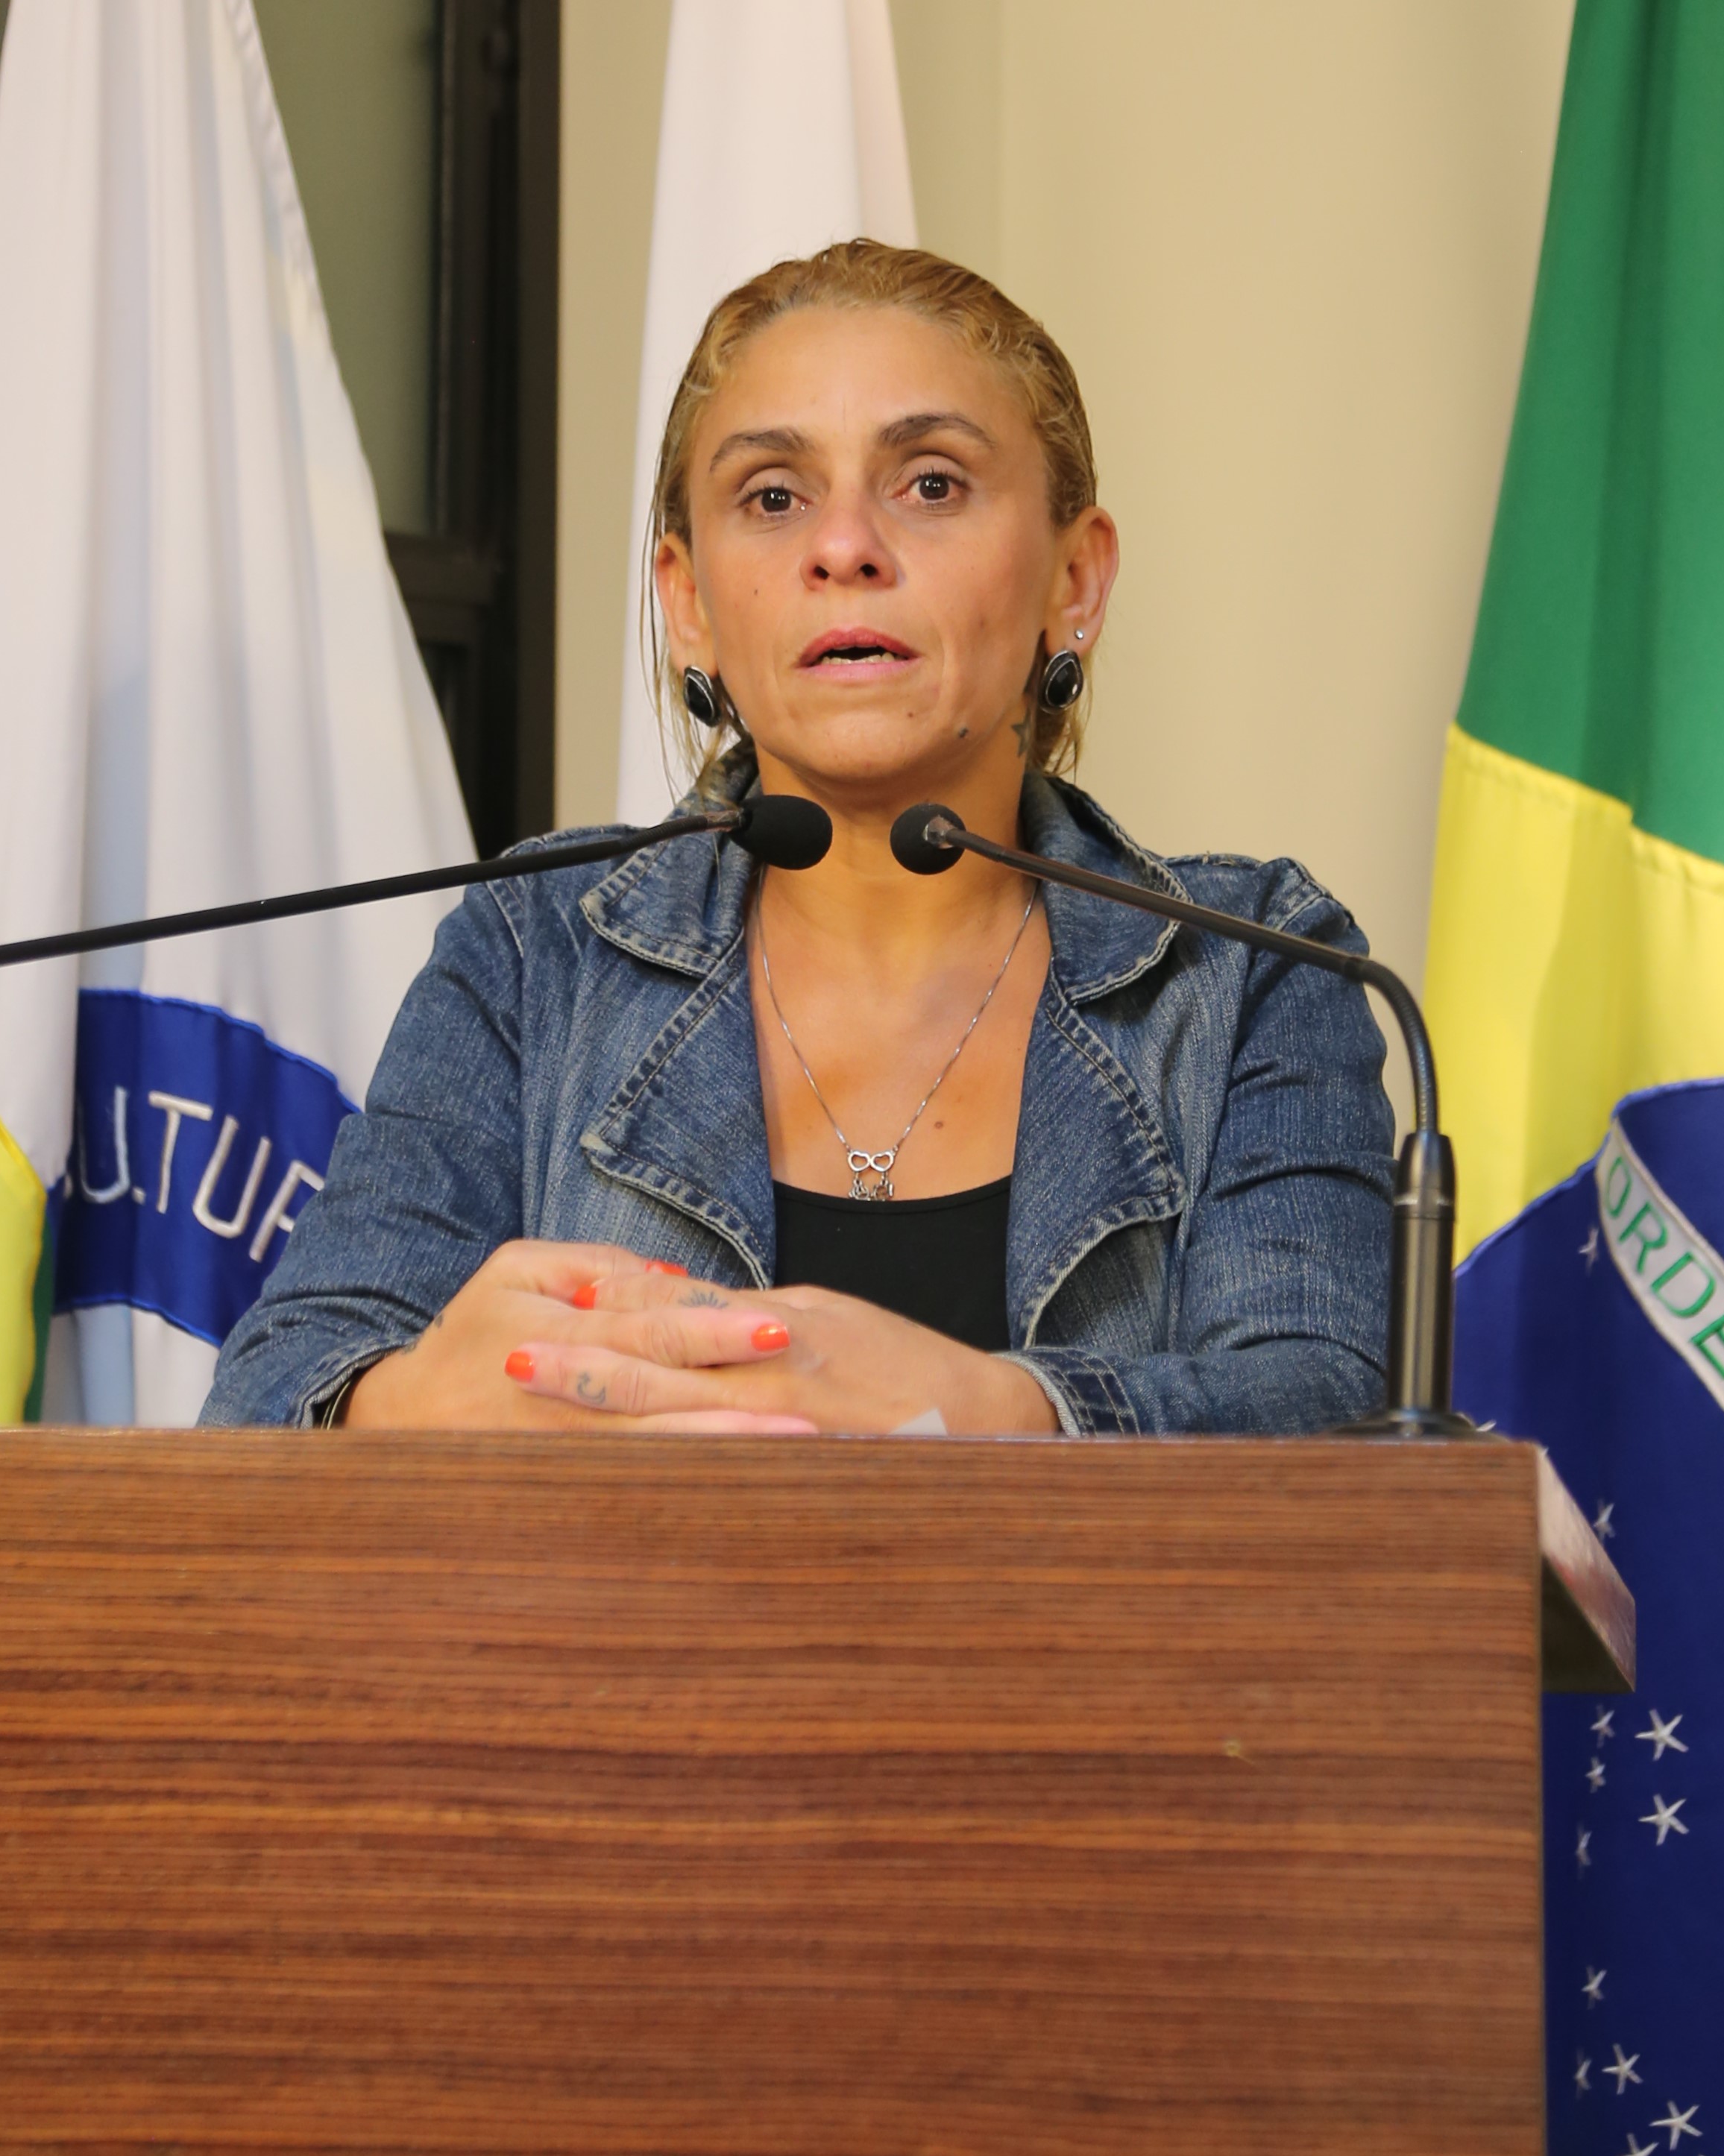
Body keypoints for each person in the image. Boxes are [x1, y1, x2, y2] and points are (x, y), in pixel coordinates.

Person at [202, 242, 1392, 1437]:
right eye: (773, 497)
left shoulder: (1249, 965)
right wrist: (404, 1405)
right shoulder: (536, 949)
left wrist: (969, 1407)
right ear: (688, 603)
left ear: (1072, 581)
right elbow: (271, 1391)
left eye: (931, 484)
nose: (843, 547)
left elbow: (1319, 1412)